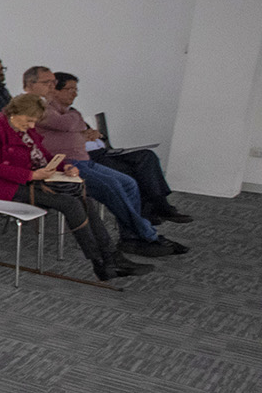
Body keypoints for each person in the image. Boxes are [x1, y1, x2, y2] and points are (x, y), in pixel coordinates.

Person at [0, 94, 150, 282]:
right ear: (14, 113)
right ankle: (100, 263)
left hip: (36, 181)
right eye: (29, 120)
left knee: (85, 200)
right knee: (71, 204)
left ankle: (111, 256)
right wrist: (31, 175)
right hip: (7, 188)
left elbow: (44, 155)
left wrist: (64, 166)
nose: (32, 126)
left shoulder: (24, 129)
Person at [28, 70, 185, 257]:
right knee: (114, 187)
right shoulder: (44, 108)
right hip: (65, 166)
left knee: (129, 183)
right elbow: (68, 126)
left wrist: (77, 125)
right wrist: (77, 123)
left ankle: (131, 237)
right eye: (69, 89)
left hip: (85, 160)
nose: (74, 93)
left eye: (75, 89)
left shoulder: (68, 112)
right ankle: (148, 235)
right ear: (54, 90)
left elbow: (75, 128)